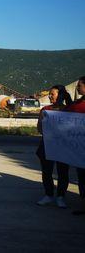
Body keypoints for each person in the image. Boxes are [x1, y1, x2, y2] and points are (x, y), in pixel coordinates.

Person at [36, 85, 72, 208]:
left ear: (60, 95)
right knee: (46, 172)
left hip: (63, 146)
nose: (50, 96)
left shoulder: (68, 110)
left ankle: (61, 196)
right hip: (47, 145)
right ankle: (48, 194)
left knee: (63, 172)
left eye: (53, 94)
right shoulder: (45, 109)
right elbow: (39, 127)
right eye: (50, 94)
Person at [64, 76, 85, 215]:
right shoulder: (78, 103)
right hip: (80, 148)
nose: (77, 87)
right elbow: (67, 111)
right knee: (82, 177)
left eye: (80, 85)